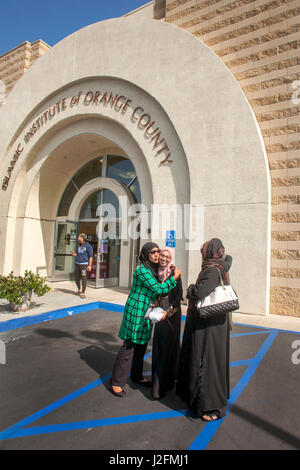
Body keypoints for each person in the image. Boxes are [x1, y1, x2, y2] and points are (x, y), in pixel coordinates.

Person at [110, 242, 182, 398]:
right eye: (153, 253)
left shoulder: (153, 269)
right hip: (136, 311)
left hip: (146, 311)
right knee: (129, 345)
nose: (157, 255)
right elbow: (158, 288)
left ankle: (136, 376)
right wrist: (174, 278)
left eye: (158, 252)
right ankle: (116, 382)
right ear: (145, 254)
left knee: (141, 346)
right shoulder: (142, 269)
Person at [176, 238, 232, 422]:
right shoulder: (220, 266)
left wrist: (191, 288)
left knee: (206, 362)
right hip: (214, 323)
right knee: (209, 361)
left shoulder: (212, 270)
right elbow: (228, 259)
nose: (202, 253)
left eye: (203, 251)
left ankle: (211, 405)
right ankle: (201, 400)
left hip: (208, 326)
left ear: (210, 253)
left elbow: (199, 292)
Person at [151, 247, 183, 400]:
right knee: (159, 350)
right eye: (162, 255)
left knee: (170, 349)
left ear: (171, 259)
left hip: (171, 317)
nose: (164, 259)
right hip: (158, 316)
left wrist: (167, 313)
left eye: (167, 257)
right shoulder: (155, 273)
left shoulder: (174, 274)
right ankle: (158, 386)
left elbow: (178, 300)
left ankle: (167, 383)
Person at [71, 233, 93, 299]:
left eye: (79, 237)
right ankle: (79, 289)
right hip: (78, 263)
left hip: (84, 264)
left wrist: (90, 265)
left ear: (82, 238)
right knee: (76, 278)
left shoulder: (88, 246)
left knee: (84, 278)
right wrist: (74, 254)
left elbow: (91, 256)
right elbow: (79, 254)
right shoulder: (79, 245)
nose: (78, 238)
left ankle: (83, 292)